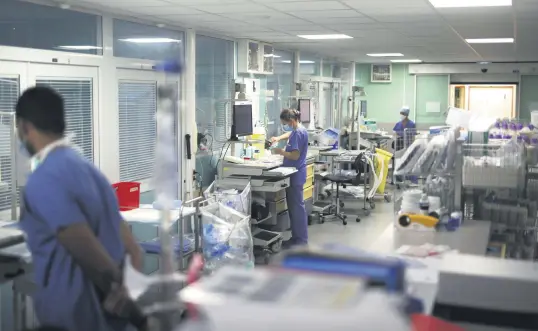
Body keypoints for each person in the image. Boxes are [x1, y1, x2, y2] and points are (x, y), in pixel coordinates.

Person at [16, 86, 147, 331]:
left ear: (24, 127)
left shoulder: (44, 178)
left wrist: (121, 294)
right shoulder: (90, 171)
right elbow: (132, 248)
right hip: (112, 319)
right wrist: (129, 296)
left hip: (73, 318)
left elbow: (84, 249)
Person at [270, 109, 309, 248]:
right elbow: (290, 134)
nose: (284, 126)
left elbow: (294, 156)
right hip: (297, 172)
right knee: (296, 208)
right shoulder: (299, 128)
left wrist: (280, 151)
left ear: (291, 121)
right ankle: (298, 238)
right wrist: (278, 138)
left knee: (296, 209)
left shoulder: (298, 133)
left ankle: (300, 241)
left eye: (285, 123)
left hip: (295, 173)